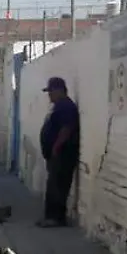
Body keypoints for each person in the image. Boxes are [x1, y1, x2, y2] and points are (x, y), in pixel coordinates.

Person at [38, 76, 80, 227]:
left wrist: (56, 147)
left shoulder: (66, 107)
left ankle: (56, 218)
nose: (49, 95)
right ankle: (51, 217)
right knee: (53, 185)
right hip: (56, 154)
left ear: (60, 90)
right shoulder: (58, 106)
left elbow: (66, 129)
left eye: (51, 91)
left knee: (58, 186)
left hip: (63, 154)